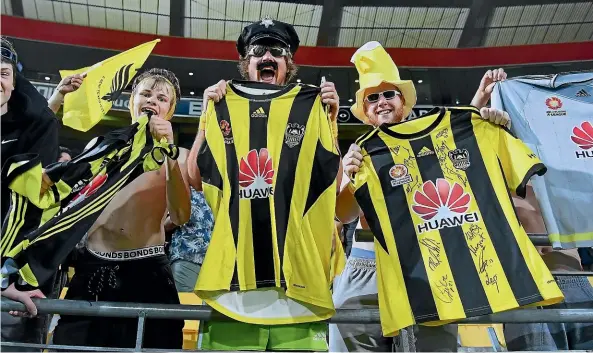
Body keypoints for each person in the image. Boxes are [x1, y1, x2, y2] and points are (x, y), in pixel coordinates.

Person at [332, 42, 515, 353]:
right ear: (365, 110)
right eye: (372, 97)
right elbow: (344, 216)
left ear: (404, 102)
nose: (381, 102)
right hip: (367, 269)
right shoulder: (359, 152)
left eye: (389, 94)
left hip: (430, 267)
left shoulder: (430, 141)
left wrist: (481, 107)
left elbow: (454, 142)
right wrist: (348, 180)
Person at [186, 18, 341, 352]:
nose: (268, 56)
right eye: (258, 50)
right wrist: (205, 117)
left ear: (288, 64)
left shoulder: (312, 106)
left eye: (278, 51)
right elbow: (197, 179)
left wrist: (330, 121)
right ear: (247, 63)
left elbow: (333, 184)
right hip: (232, 293)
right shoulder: (221, 105)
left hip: (298, 294)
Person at [51, 68, 191, 350]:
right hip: (91, 268)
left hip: (146, 272)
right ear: (132, 101)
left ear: (171, 110)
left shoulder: (178, 156)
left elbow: (181, 215)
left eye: (162, 98)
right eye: (146, 94)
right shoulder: (101, 144)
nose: (153, 101)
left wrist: (171, 154)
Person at [1, 36, 60, 352]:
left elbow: (32, 213)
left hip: (12, 291)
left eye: (3, 72)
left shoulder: (35, 131)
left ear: (14, 81)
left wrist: (13, 280)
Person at [167, 177, 214, 292]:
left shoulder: (218, 189)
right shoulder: (178, 191)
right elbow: (161, 225)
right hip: (187, 260)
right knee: (190, 308)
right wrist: (178, 217)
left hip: (216, 264)